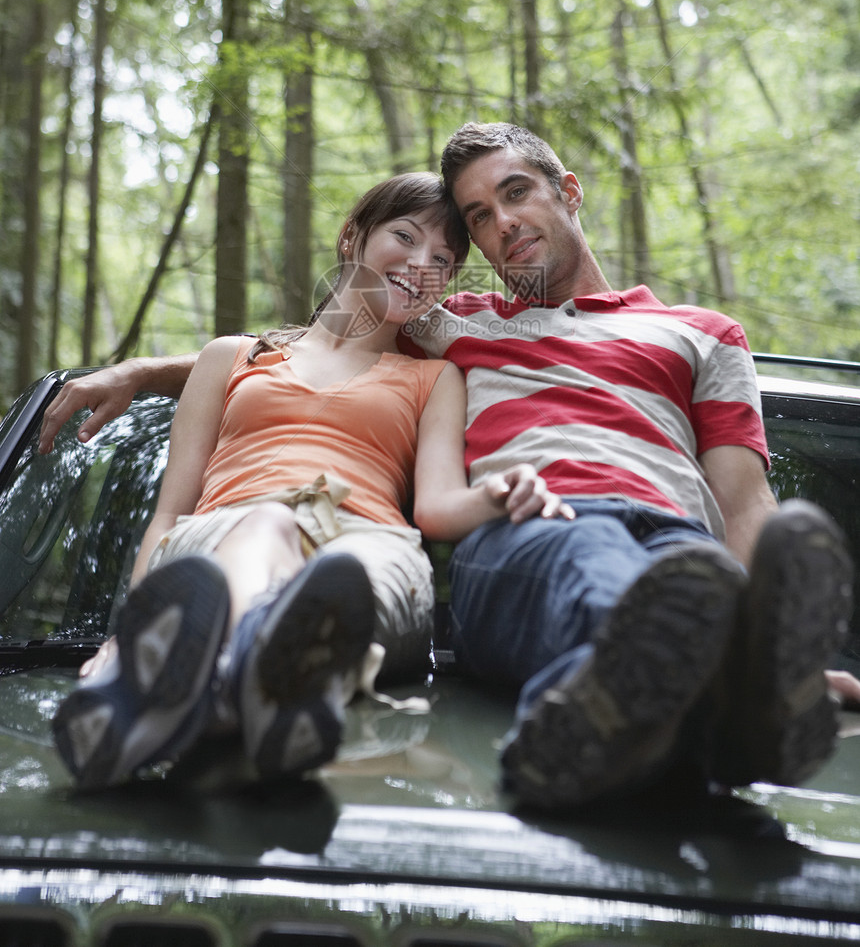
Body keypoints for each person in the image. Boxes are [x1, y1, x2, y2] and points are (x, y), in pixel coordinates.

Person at [42, 127, 857, 809]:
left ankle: (721, 700)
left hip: (679, 541)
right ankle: (625, 699)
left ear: (568, 191)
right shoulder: (457, 330)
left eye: (515, 194)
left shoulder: (704, 333)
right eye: (479, 214)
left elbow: (745, 506)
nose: (500, 224)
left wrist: (778, 651)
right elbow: (312, 350)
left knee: (690, 576)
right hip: (542, 526)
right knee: (597, 558)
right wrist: (144, 371)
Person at [51, 170, 570, 790]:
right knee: (268, 523)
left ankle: (173, 691)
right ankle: (246, 690)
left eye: (443, 260)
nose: (420, 265)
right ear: (352, 237)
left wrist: (498, 494)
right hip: (218, 538)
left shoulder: (435, 379)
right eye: (403, 237)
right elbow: (171, 514)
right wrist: (127, 630)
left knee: (327, 579)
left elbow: (436, 509)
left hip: (362, 559)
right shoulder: (231, 358)